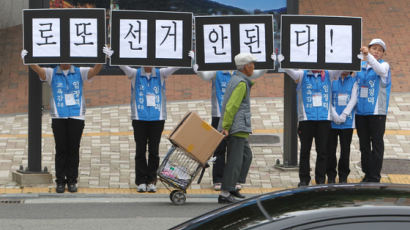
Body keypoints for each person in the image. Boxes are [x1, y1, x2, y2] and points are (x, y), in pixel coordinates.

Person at [104, 48, 193, 193]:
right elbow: (122, 66)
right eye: (145, 61)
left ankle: (152, 180)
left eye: (150, 61)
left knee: (154, 151)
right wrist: (112, 56)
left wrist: (187, 57)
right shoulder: (134, 74)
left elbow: (175, 67)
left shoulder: (161, 74)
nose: (148, 65)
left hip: (157, 118)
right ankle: (140, 181)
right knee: (140, 150)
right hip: (139, 118)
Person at [20, 46, 108, 193]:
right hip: (59, 116)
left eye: (67, 59)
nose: (64, 62)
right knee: (61, 149)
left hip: (76, 115)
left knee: (73, 149)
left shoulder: (79, 71)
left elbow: (94, 72)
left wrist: (102, 59)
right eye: (61, 59)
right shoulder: (52, 73)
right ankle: (60, 181)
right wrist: (28, 60)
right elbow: (39, 70)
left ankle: (72, 181)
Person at [193, 64, 266, 191]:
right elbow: (204, 76)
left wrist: (268, 64)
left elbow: (256, 73)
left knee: (239, 152)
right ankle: (218, 179)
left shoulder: (239, 73)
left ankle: (235, 180)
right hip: (219, 116)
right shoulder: (217, 71)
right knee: (219, 150)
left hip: (236, 119)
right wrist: (195, 66)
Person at [277, 54, 342, 186]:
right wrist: (280, 60)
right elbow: (290, 72)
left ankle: (320, 179)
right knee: (305, 151)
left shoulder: (329, 75)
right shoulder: (302, 75)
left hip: (324, 119)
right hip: (306, 120)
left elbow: (341, 67)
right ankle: (304, 179)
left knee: (323, 151)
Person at [217, 53, 258, 204]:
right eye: (252, 64)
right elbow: (231, 106)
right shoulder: (240, 83)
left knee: (246, 157)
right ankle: (225, 192)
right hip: (237, 127)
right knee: (235, 161)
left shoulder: (237, 79)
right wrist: (226, 126)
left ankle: (232, 185)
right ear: (246, 67)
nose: (254, 66)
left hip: (240, 127)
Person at [356, 38, 391, 183]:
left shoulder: (384, 66)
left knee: (376, 144)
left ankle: (375, 176)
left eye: (379, 50)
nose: (376, 51)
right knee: (364, 145)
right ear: (369, 49)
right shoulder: (361, 65)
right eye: (373, 48)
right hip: (361, 112)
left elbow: (379, 69)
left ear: (383, 53)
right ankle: (367, 173)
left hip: (377, 113)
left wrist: (368, 56)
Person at [327, 71, 358, 184]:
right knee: (330, 150)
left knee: (345, 150)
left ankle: (343, 175)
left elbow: (354, 99)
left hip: (347, 122)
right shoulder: (332, 79)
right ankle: (331, 175)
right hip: (332, 121)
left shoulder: (354, 81)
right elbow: (328, 97)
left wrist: (344, 114)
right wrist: (334, 115)